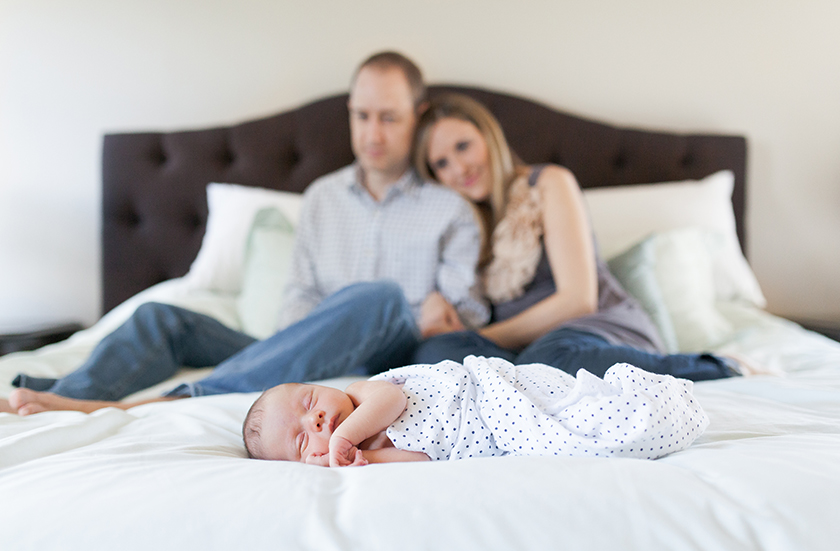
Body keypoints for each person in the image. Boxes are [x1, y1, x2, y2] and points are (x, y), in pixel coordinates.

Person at [1, 53, 488, 416]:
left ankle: (169, 399)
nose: (373, 134)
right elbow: (298, 293)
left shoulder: (451, 209)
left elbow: (459, 314)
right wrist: (309, 337)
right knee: (160, 318)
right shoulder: (323, 196)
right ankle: (70, 394)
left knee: (376, 299)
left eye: (389, 117)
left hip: (383, 351)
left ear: (418, 115)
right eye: (362, 116)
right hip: (291, 344)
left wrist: (404, 313)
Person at [409, 93, 742, 380]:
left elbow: (578, 300)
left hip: (593, 329)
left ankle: (713, 367)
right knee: (432, 353)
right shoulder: (463, 225)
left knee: (549, 361)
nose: (459, 169)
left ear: (489, 137)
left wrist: (482, 338)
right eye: (441, 163)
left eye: (463, 147)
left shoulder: (548, 183)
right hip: (522, 351)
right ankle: (521, 382)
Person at [242, 355, 709, 464]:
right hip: (489, 435)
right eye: (303, 438)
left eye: (308, 402)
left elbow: (394, 400)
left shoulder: (363, 393)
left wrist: (340, 440)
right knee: (579, 437)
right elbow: (423, 459)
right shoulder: (365, 453)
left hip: (493, 393)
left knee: (579, 408)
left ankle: (652, 399)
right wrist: (349, 461)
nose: (316, 419)